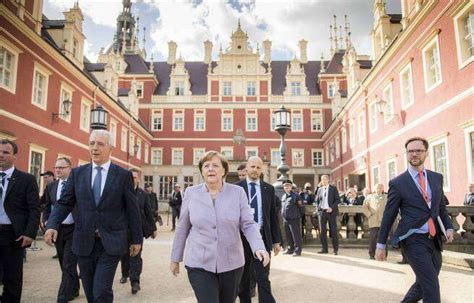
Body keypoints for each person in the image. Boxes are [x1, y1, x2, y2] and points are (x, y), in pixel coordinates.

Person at [45, 130, 143, 303]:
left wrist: (136, 239)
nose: (94, 148)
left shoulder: (122, 175)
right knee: (91, 293)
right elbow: (64, 202)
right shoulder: (77, 174)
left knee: (101, 291)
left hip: (111, 243)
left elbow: (132, 210)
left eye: (100, 144)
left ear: (111, 148)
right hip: (84, 242)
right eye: (91, 143)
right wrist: (52, 224)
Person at [170, 151, 269, 303]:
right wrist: (175, 258)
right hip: (199, 263)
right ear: (202, 171)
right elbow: (182, 228)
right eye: (206, 166)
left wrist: (258, 247)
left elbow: (248, 224)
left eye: (215, 165)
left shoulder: (238, 192)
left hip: (232, 263)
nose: (210, 169)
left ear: (224, 171)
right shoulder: (191, 193)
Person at [376, 137, 454, 303]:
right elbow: (388, 215)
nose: (414, 154)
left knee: (424, 283)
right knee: (432, 285)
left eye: (418, 150)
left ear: (426, 152)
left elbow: (441, 208)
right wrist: (380, 245)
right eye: (410, 151)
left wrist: (448, 227)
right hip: (412, 239)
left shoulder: (436, 178)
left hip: (434, 239)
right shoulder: (398, 183)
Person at [236, 156, 281, 303]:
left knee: (263, 276)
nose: (255, 170)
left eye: (258, 167)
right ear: (247, 168)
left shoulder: (269, 189)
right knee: (243, 277)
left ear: (262, 169)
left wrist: (276, 240)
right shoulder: (236, 188)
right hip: (241, 238)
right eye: (252, 167)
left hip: (262, 236)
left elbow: (273, 216)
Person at [0, 139, 40, 302]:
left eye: (5, 152)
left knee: (12, 278)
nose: (1, 155)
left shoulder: (26, 180)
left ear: (14, 156)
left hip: (13, 235)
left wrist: (30, 233)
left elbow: (34, 209)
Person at [42, 157, 80, 302]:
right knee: (63, 261)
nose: (57, 170)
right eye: (56, 167)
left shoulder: (77, 185)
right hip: (58, 230)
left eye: (61, 168)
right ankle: (75, 287)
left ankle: (63, 296)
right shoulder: (51, 186)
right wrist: (47, 221)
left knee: (68, 263)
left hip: (75, 229)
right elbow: (46, 205)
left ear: (69, 168)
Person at [120, 169, 157, 294]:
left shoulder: (143, 194)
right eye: (131, 177)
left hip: (137, 230)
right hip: (123, 229)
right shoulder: (120, 193)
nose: (133, 179)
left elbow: (148, 212)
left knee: (136, 255)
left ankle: (135, 282)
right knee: (124, 254)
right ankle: (125, 273)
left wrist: (153, 229)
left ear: (139, 179)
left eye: (135, 177)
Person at [315, 175, 340, 255]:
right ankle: (324, 249)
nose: (323, 181)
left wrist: (332, 208)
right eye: (322, 180)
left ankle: (335, 250)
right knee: (322, 231)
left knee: (333, 231)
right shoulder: (319, 189)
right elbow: (317, 201)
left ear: (328, 180)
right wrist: (318, 210)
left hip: (331, 212)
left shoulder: (333, 188)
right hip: (322, 212)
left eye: (325, 179)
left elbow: (337, 200)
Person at [363, 184, 387, 260]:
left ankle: (384, 255)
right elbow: (364, 207)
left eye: (380, 188)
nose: (379, 190)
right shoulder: (369, 197)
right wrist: (369, 214)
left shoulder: (387, 198)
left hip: (383, 221)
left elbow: (390, 208)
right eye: (377, 188)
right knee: (373, 238)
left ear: (383, 189)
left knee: (383, 238)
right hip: (373, 221)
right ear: (374, 189)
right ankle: (372, 254)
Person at [281, 180, 303, 256]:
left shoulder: (296, 196)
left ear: (291, 187)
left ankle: (297, 251)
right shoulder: (284, 196)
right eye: (285, 186)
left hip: (294, 219)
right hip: (286, 219)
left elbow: (301, 207)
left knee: (296, 236)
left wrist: (298, 216)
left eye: (288, 186)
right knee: (288, 236)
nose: (286, 187)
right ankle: (290, 249)